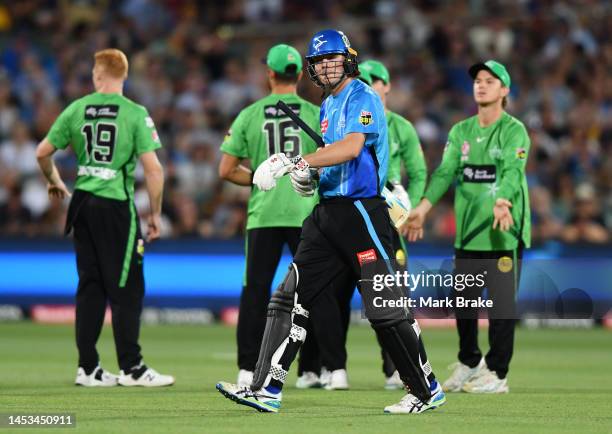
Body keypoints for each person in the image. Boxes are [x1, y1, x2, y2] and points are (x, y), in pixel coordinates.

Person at [216, 29, 446, 414]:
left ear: (348, 59)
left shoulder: (362, 96)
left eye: (331, 59)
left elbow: (353, 147)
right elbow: (332, 158)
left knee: (385, 308)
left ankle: (426, 389)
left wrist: (296, 161)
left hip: (361, 212)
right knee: (288, 296)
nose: (324, 67)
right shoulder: (327, 105)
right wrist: (310, 178)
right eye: (318, 62)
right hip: (327, 214)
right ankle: (265, 388)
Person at [35, 48, 174, 387]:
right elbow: (153, 170)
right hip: (115, 204)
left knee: (91, 286)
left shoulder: (77, 108)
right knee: (127, 287)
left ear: (97, 75)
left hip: (81, 203)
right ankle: (132, 368)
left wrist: (54, 182)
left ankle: (88, 367)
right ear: (123, 75)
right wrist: (155, 214)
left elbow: (42, 152)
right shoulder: (134, 113)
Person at [219, 43, 347, 389]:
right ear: (300, 75)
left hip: (264, 216)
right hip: (307, 213)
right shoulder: (316, 111)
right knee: (317, 293)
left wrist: (257, 179)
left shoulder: (250, 114)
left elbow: (226, 169)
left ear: (269, 74)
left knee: (255, 291)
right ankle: (329, 370)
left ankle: (248, 369)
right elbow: (333, 156)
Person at [408, 60, 531, 394]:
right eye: (478, 80)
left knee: (502, 308)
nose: (481, 85)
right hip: (469, 233)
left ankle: (498, 374)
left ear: (504, 90)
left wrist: (503, 200)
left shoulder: (513, 130)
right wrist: (423, 207)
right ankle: (470, 361)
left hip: (503, 233)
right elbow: (445, 172)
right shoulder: (460, 131)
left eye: (490, 81)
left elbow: (512, 170)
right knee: (463, 303)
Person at [355, 59, 428, 389]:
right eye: (363, 79)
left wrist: (409, 210)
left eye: (374, 79)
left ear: (387, 86)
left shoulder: (401, 127)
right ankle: (328, 368)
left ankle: (396, 369)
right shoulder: (353, 119)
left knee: (391, 293)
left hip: (387, 218)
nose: (368, 84)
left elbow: (420, 172)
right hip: (354, 213)